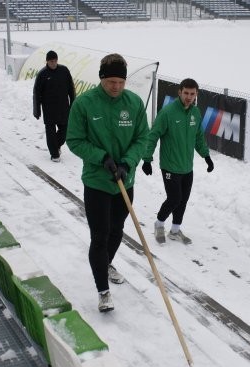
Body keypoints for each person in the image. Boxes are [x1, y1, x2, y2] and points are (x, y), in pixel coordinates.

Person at [66, 53, 149, 312]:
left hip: (125, 180)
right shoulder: (85, 104)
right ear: (102, 78)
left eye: (120, 82)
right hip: (98, 182)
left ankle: (106, 263)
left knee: (116, 230)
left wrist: (127, 162)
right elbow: (75, 140)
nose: (116, 87)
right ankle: (103, 289)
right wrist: (102, 158)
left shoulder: (134, 103)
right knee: (100, 236)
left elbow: (142, 138)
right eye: (111, 81)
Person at [141, 78, 214, 245]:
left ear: (196, 94)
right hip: (170, 166)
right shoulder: (167, 113)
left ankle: (175, 230)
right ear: (179, 92)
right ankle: (159, 224)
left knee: (183, 199)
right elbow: (153, 136)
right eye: (186, 93)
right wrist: (147, 158)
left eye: (192, 94)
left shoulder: (195, 113)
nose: (189, 97)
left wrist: (206, 156)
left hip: (187, 166)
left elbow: (198, 137)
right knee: (174, 198)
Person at [33, 51, 76, 162]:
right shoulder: (42, 74)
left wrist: (73, 103)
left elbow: (71, 89)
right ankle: (54, 154)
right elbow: (37, 93)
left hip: (63, 107)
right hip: (48, 109)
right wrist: (36, 110)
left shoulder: (64, 71)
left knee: (65, 131)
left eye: (55, 60)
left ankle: (56, 145)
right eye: (51, 61)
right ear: (47, 61)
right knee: (50, 131)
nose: (54, 63)